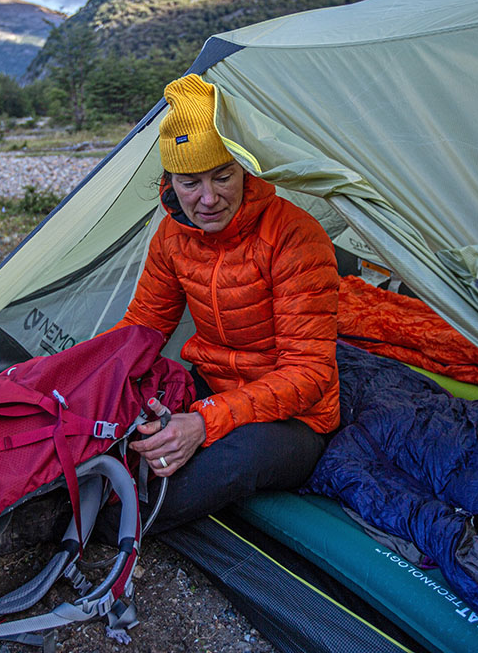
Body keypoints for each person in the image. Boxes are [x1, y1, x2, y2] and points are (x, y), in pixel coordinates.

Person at [107, 72, 340, 534]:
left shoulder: (293, 237)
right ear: (169, 182)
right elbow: (143, 328)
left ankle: (100, 520)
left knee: (168, 490)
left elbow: (309, 374)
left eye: (223, 176)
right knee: (122, 427)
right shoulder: (173, 237)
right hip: (212, 384)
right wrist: (84, 378)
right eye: (191, 182)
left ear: (244, 169)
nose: (209, 199)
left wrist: (203, 422)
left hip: (297, 418)